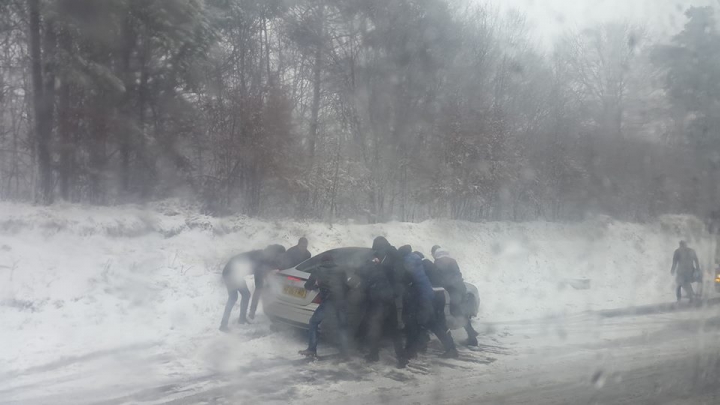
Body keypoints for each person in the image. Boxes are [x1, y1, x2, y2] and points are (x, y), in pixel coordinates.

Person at [401, 246, 458, 359]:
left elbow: (420, 282)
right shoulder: (428, 263)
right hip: (440, 294)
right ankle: (448, 347)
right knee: (434, 323)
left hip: (431, 296)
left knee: (429, 323)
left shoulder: (419, 266)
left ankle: (449, 349)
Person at [357, 253, 408, 368]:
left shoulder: (370, 271)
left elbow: (364, 288)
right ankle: (402, 358)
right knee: (395, 332)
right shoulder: (387, 269)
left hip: (378, 305)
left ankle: (373, 355)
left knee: (374, 329)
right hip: (391, 303)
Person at [219, 244, 285, 331]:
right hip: (230, 273)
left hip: (235, 272)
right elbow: (258, 288)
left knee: (245, 294)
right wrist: (252, 311)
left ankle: (241, 319)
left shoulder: (262, 256)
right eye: (278, 256)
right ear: (274, 254)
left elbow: (273, 265)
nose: (279, 259)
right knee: (233, 297)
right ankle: (223, 324)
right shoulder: (261, 261)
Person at [299, 255, 349, 359]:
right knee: (342, 326)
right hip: (341, 300)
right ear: (332, 261)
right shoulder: (341, 270)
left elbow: (307, 286)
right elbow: (346, 285)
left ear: (322, 261)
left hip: (329, 300)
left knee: (313, 322)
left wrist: (317, 286)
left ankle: (311, 349)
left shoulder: (318, 270)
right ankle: (345, 352)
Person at [432, 245, 479, 347]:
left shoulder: (438, 263)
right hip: (460, 289)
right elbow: (457, 275)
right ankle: (472, 335)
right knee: (461, 313)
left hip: (452, 292)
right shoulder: (452, 261)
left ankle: (466, 340)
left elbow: (440, 278)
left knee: (454, 314)